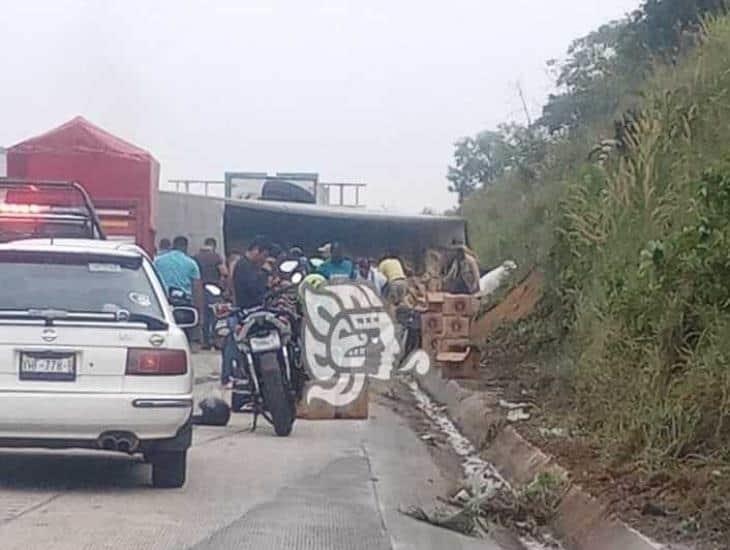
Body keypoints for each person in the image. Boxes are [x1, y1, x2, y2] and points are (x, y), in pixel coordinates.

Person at [153, 236, 204, 338]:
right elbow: (197, 288)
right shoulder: (191, 263)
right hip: (184, 303)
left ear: (173, 245)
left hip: (163, 301)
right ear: (185, 247)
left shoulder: (158, 261)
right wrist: (199, 313)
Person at [194, 238, 229, 350]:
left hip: (200, 289)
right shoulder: (216, 257)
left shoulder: (196, 257)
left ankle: (205, 342)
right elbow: (224, 272)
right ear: (213, 246)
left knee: (204, 316)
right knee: (216, 315)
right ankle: (216, 340)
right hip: (214, 288)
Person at [233, 235, 272, 309]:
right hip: (250, 310)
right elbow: (255, 290)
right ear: (256, 250)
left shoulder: (247, 264)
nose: (264, 259)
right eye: (264, 255)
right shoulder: (244, 266)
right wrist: (266, 274)